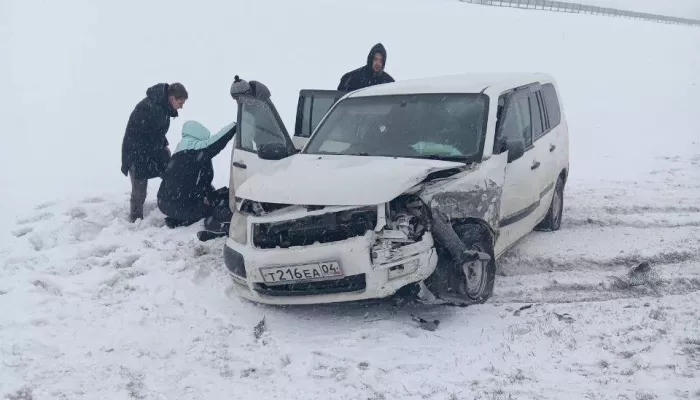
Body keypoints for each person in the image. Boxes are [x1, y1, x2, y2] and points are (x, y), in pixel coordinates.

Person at [121, 82, 188, 222]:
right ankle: (135, 219)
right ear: (172, 98)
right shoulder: (152, 108)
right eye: (180, 103)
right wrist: (160, 151)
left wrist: (164, 146)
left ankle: (174, 204)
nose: (181, 107)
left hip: (151, 149)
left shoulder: (162, 107)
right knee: (139, 190)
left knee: (170, 174)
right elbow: (145, 134)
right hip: (136, 152)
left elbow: (157, 132)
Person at [157, 120, 236, 229]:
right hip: (177, 205)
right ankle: (179, 220)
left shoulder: (181, 151)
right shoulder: (195, 149)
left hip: (165, 202)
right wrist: (235, 125)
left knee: (212, 199)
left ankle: (178, 218)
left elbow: (197, 181)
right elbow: (218, 140)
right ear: (199, 135)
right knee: (215, 208)